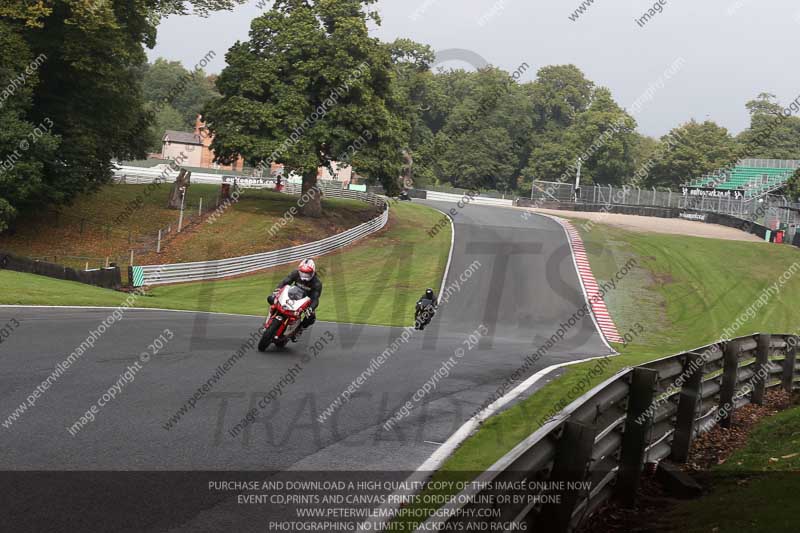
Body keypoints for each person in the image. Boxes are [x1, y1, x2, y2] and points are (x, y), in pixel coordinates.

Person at [268, 259, 322, 339]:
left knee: (311, 317)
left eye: (307, 273)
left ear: (312, 272)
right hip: (292, 295)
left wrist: (311, 308)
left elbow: (315, 298)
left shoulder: (317, 283)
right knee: (270, 298)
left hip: (306, 301)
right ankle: (271, 317)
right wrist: (277, 290)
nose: (304, 276)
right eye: (302, 272)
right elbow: (285, 282)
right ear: (299, 270)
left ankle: (299, 329)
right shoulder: (295, 273)